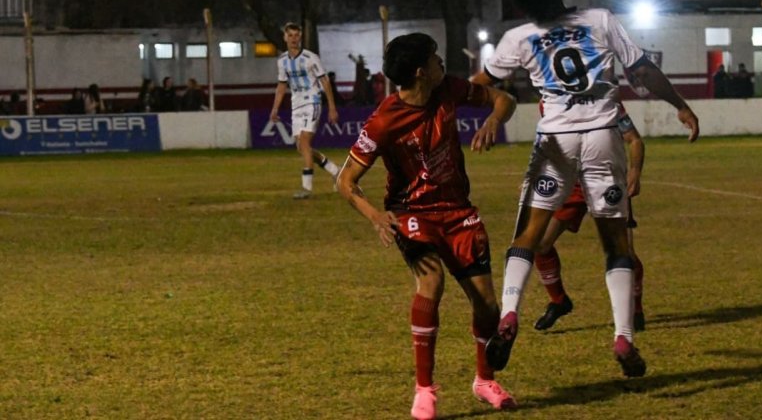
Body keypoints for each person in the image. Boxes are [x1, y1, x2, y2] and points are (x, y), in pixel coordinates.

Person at [471, 0, 698, 378]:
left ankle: (509, 314)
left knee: (528, 235)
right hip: (603, 136)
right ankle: (623, 337)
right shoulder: (600, 20)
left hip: (555, 140)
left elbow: (481, 82)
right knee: (616, 243)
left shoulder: (518, 38)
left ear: (522, 3)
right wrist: (679, 105)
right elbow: (644, 71)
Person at [336, 33, 518, 419]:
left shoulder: (448, 89)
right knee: (431, 282)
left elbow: (506, 99)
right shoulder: (384, 121)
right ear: (421, 72)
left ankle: (484, 381)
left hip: (457, 211)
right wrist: (375, 216)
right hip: (411, 212)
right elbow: (345, 181)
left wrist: (492, 122)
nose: (442, 63)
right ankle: (424, 390)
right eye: (436, 58)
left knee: (487, 305)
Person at [534, 101, 646, 332]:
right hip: (570, 184)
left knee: (623, 253)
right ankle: (559, 301)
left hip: (607, 181)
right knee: (539, 244)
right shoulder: (548, 101)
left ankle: (635, 310)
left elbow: (634, 139)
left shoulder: (607, 99)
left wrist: (634, 171)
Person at [270, 22, 341, 199]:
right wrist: (275, 108)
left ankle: (307, 188)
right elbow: (281, 85)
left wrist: (332, 107)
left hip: (313, 102)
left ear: (300, 37)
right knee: (302, 147)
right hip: (297, 105)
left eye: (296, 35)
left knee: (304, 143)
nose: (294, 39)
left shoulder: (311, 58)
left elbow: (325, 82)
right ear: (285, 38)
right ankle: (336, 171)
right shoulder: (282, 61)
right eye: (290, 35)